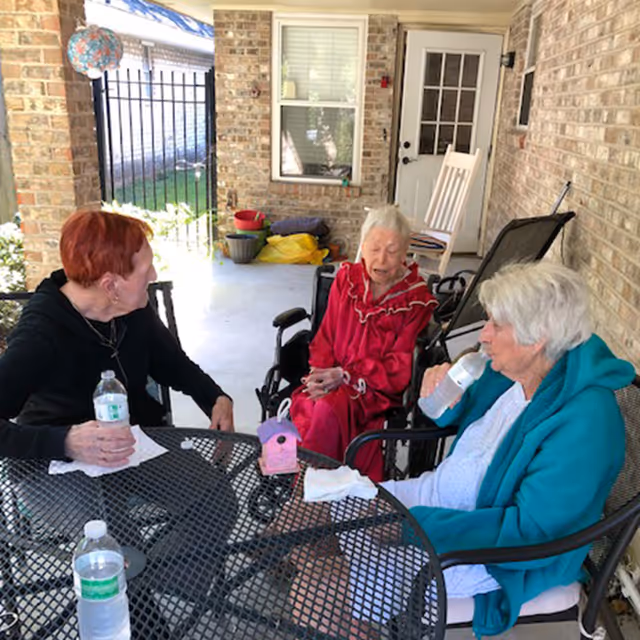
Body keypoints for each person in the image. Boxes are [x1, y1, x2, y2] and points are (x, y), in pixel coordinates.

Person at [289, 261, 634, 638]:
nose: (483, 336)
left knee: (315, 590)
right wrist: (442, 392)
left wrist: (405, 527)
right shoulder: (521, 373)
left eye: (496, 325)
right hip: (435, 503)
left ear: (538, 338)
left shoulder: (586, 424)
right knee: (304, 519)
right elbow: (458, 416)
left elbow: (530, 533)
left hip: (487, 557)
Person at [0, 209, 234, 464]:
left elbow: (171, 363)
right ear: (110, 286)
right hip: (60, 460)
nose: (154, 275)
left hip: (138, 441)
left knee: (212, 497)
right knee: (97, 506)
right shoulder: (39, 335)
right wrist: (64, 442)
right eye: (146, 270)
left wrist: (215, 397)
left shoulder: (132, 307)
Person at [289, 205, 436, 481]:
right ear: (363, 247)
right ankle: (289, 474)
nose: (382, 258)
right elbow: (326, 335)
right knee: (302, 405)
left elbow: (398, 366)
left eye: (392, 251)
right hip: (331, 377)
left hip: (374, 389)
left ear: (405, 253)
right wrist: (319, 375)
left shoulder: (414, 300)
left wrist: (347, 376)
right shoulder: (347, 279)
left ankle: (305, 494)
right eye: (375, 248)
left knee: (326, 410)